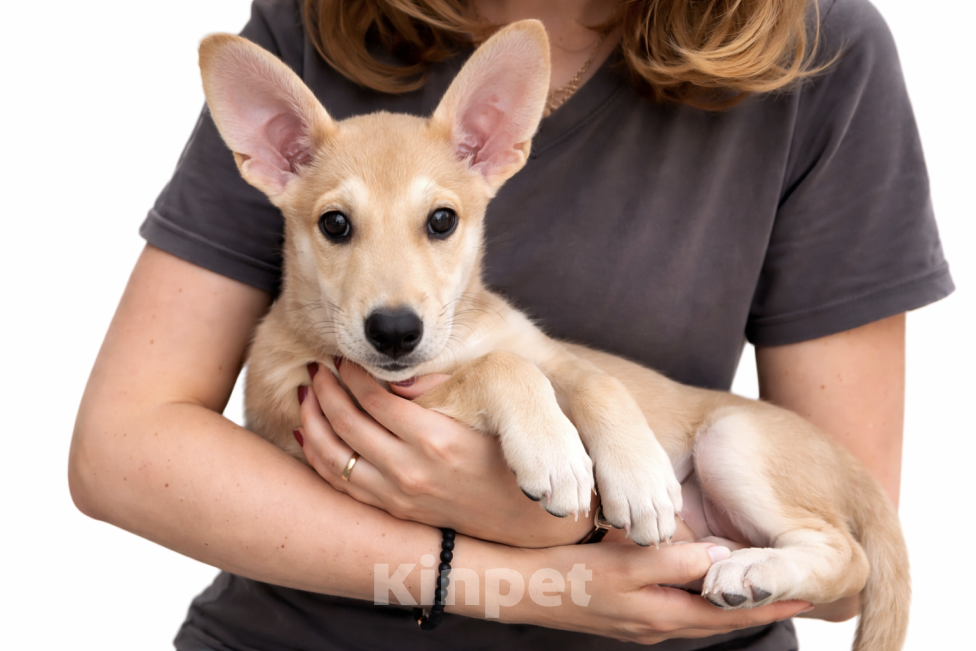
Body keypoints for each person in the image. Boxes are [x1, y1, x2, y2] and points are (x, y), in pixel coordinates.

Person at [69, 0, 952, 649]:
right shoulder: (317, 29)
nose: (394, 293)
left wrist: (576, 525)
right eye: (339, 225)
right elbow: (121, 451)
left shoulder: (821, 53)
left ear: (499, 140)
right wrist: (525, 575)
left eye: (437, 222)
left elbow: (852, 569)